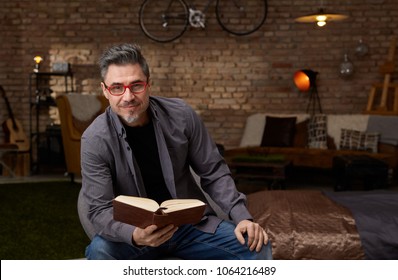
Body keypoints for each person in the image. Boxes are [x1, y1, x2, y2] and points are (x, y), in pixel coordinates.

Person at [81, 43, 272, 260]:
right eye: (117, 87)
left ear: (149, 85)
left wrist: (242, 218)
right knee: (100, 252)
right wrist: (135, 235)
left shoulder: (181, 115)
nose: (128, 97)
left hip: (190, 227)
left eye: (136, 85)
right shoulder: (94, 139)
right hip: (134, 233)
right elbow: (99, 209)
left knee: (256, 245)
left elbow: (214, 172)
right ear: (105, 90)